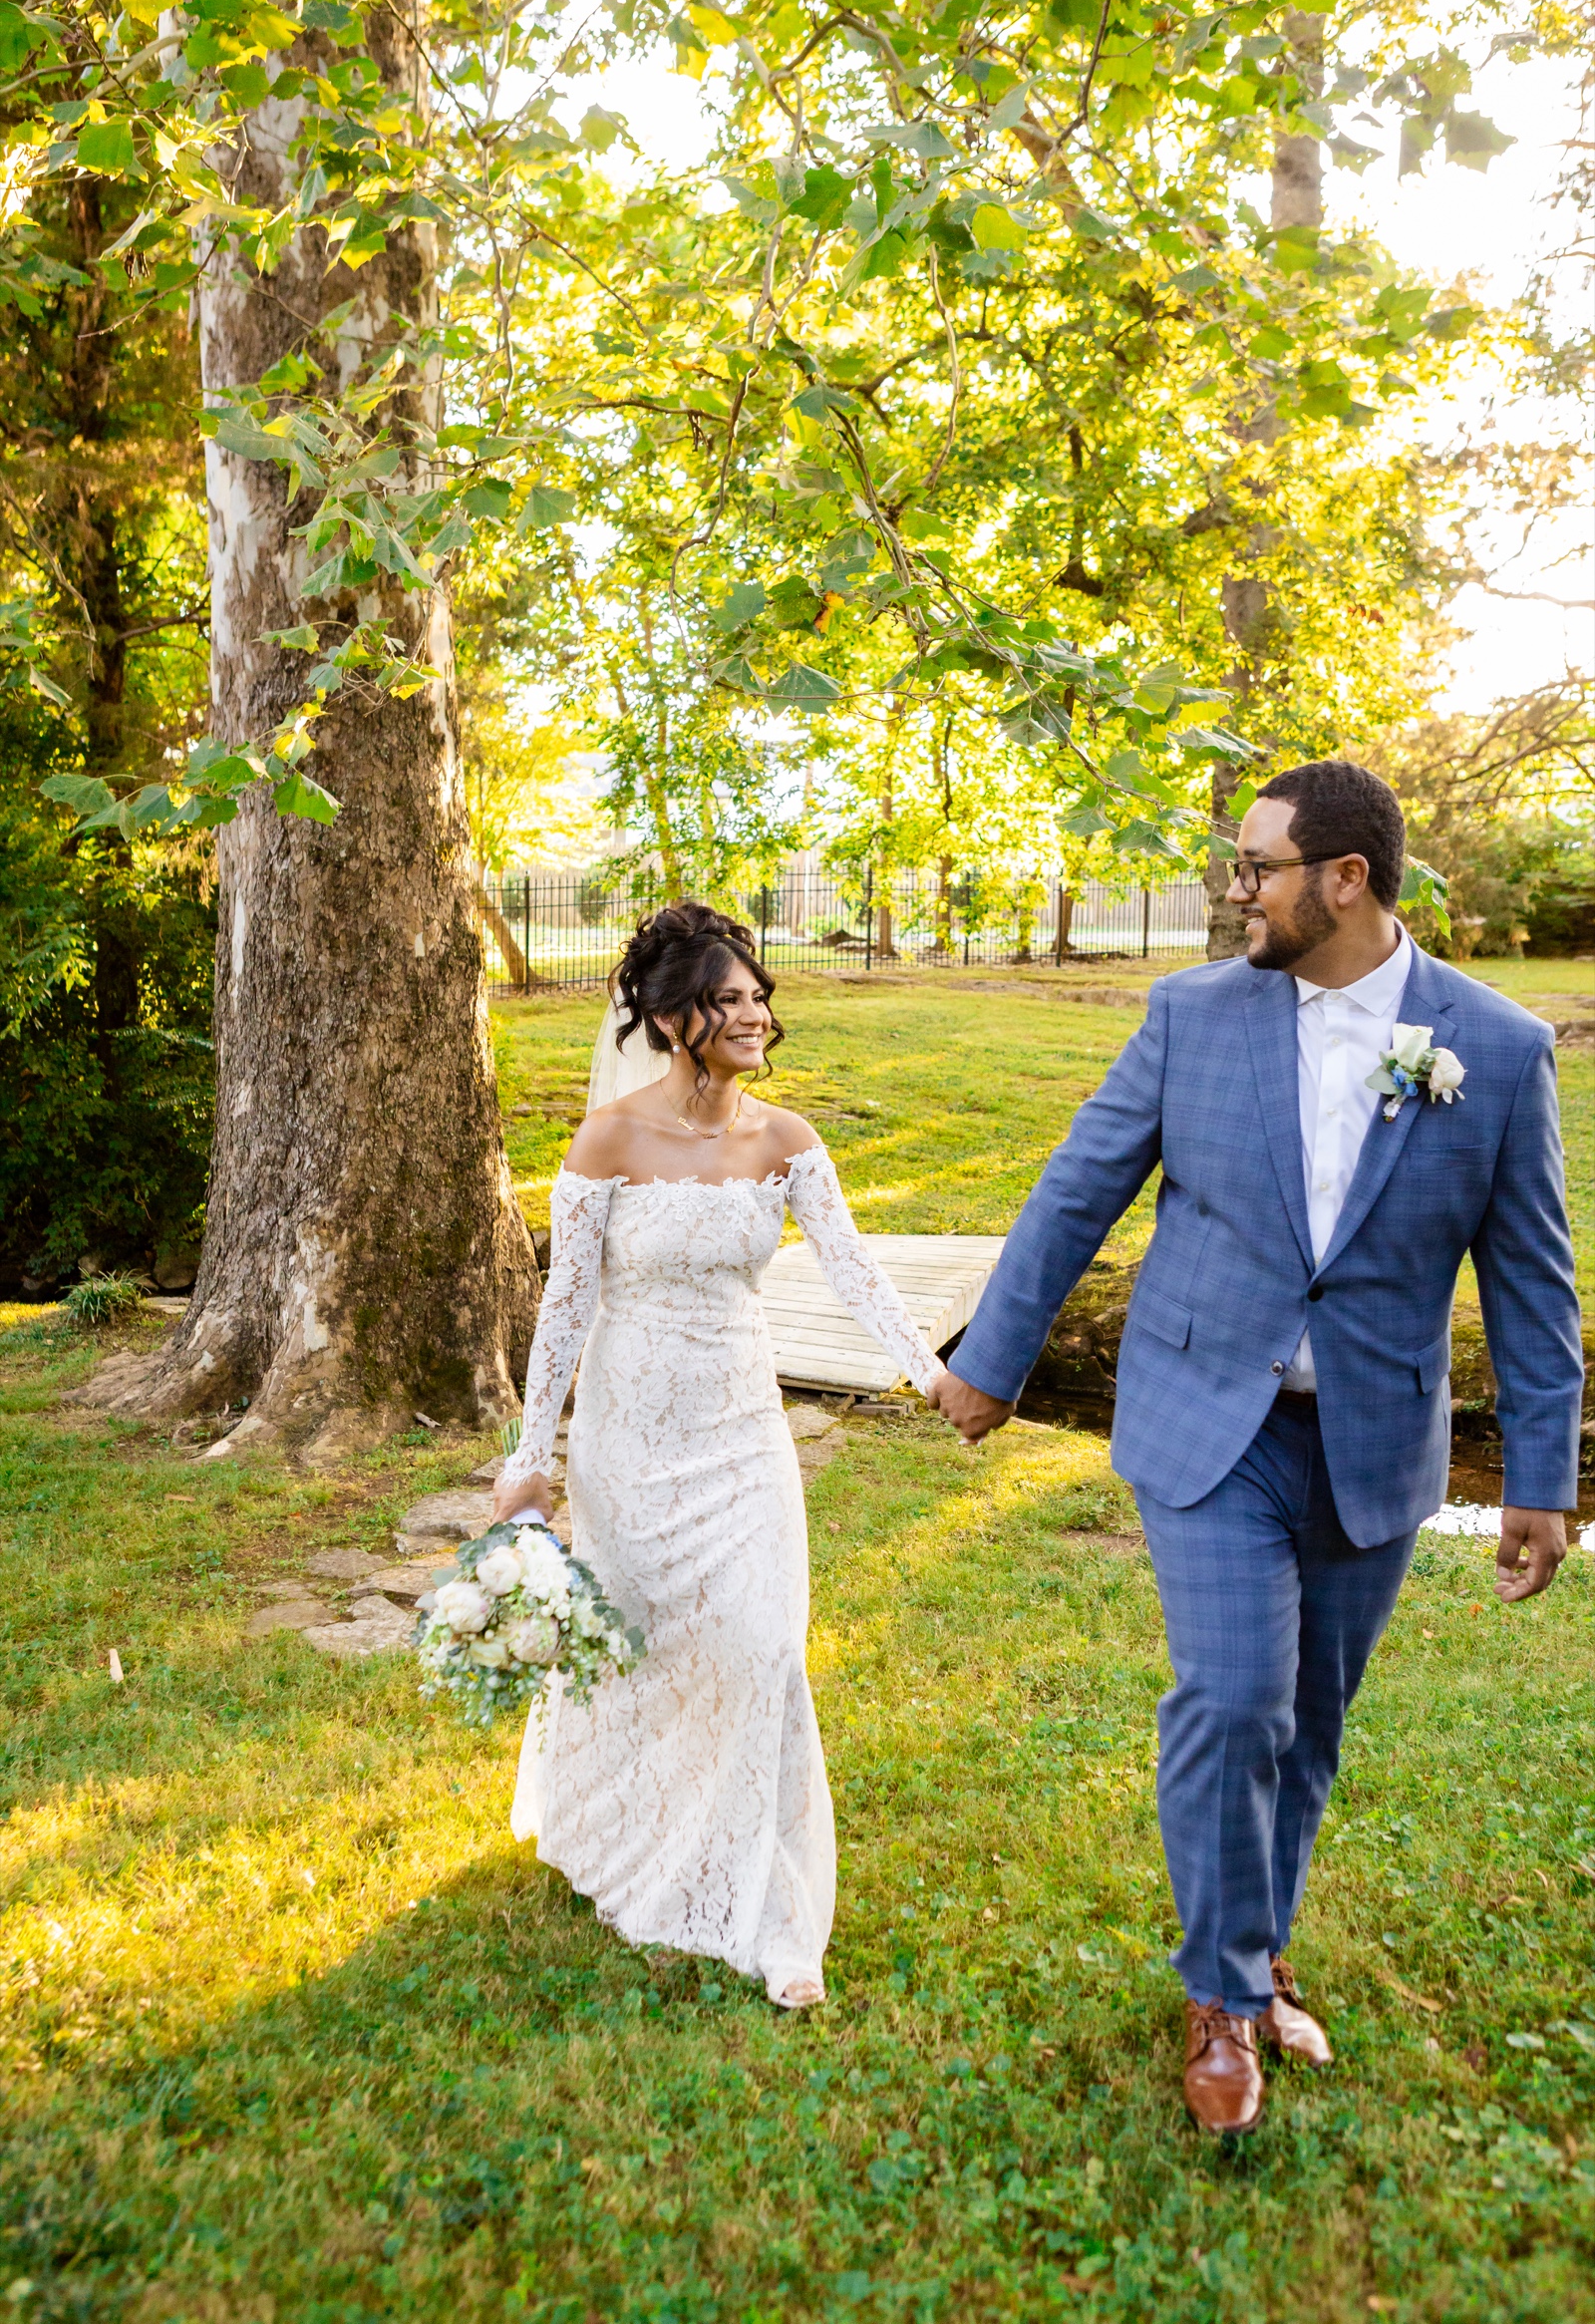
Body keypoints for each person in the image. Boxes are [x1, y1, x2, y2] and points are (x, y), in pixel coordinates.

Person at [931, 761, 1583, 2135]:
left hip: (1375, 1437)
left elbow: (1532, 1282)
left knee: (1312, 1723)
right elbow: (1076, 1188)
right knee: (1235, 1701)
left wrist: (1539, 1477)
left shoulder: (1501, 1050)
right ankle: (1222, 1998)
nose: (1238, 890)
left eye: (1258, 867)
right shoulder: (1189, 1017)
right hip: (1205, 1419)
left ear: (1344, 881)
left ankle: (1257, 1939)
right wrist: (991, 1359)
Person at [494, 901, 948, 2008]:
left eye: (756, 997)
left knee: (757, 1647)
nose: (750, 1014)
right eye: (724, 998)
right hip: (628, 1433)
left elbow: (856, 1274)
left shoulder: (786, 1142)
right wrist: (529, 1457)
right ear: (665, 1017)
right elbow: (564, 1311)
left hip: (741, 1433)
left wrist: (933, 1376)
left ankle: (763, 1903)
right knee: (640, 1648)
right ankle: (624, 1837)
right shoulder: (609, 1141)